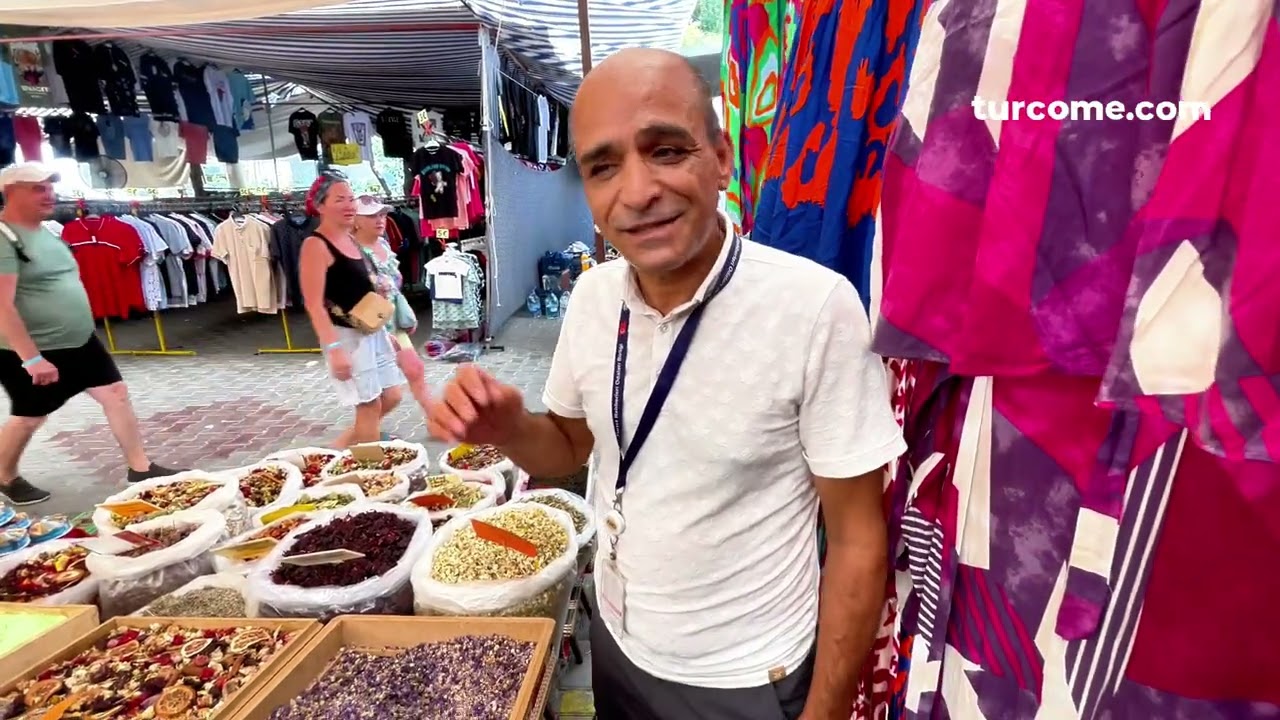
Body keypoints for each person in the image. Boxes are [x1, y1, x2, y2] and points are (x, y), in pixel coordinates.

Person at [428, 48, 906, 720]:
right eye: (603, 166)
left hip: (747, 679)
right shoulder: (593, 299)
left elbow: (857, 538)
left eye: (666, 150)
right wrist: (508, 430)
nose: (638, 190)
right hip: (619, 645)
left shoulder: (813, 308)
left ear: (721, 156)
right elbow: (569, 447)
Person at [0, 163, 183, 506]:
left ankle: (140, 468)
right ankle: (4, 476)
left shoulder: (47, 234)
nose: (49, 193)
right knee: (30, 416)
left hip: (80, 340)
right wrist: (32, 358)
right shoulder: (3, 238)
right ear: (12, 193)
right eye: (38, 187)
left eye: (50, 186)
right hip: (33, 348)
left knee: (115, 393)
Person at [297, 173, 405, 447]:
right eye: (339, 199)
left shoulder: (351, 239)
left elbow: (363, 291)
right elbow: (313, 303)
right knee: (368, 407)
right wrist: (334, 349)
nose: (349, 205)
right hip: (345, 338)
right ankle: (370, 475)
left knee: (391, 396)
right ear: (320, 206)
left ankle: (334, 453)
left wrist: (383, 332)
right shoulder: (315, 245)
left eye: (350, 198)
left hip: (370, 331)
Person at [350, 194, 430, 416]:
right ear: (355, 220)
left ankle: (437, 417)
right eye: (372, 216)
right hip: (370, 327)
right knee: (377, 388)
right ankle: (365, 431)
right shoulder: (352, 253)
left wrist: (406, 314)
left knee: (414, 368)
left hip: (392, 319)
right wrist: (384, 333)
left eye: (382, 214)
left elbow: (394, 289)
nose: (380, 220)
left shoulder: (383, 243)